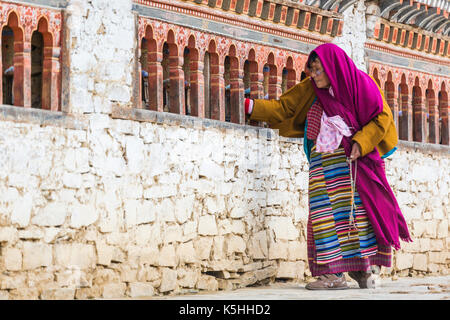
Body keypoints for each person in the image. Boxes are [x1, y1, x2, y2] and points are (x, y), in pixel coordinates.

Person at [244, 43, 412, 290]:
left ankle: (362, 268)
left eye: (318, 70)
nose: (314, 75)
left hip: (354, 162)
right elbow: (285, 107)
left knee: (357, 215)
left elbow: (381, 117)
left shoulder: (362, 84)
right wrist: (251, 107)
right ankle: (332, 275)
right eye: (311, 70)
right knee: (323, 215)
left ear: (333, 68)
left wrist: (361, 143)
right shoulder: (311, 88)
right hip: (324, 165)